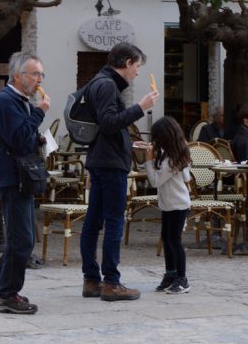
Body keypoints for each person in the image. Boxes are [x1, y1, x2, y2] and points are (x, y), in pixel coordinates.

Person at [79, 42, 158, 302]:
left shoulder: (100, 82)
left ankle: (92, 280)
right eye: (136, 66)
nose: (137, 72)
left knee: (94, 221)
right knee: (112, 221)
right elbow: (109, 123)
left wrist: (129, 141)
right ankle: (111, 282)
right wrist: (140, 107)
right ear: (126, 63)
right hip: (109, 163)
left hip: (102, 158)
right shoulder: (106, 85)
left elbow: (107, 127)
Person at [0, 51, 48, 315]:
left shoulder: (17, 101)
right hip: (13, 178)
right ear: (17, 75)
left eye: (41, 74)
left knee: (21, 237)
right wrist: (39, 113)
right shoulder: (7, 101)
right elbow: (19, 139)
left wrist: (39, 139)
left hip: (19, 176)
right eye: (35, 74)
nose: (39, 80)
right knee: (22, 239)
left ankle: (0, 286)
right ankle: (9, 295)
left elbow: (22, 137)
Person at [144, 117, 192, 295]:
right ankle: (170, 274)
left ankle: (182, 278)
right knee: (167, 238)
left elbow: (156, 181)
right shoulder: (174, 154)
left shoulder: (172, 159)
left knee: (174, 241)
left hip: (178, 205)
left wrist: (148, 161)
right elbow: (186, 176)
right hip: (169, 205)